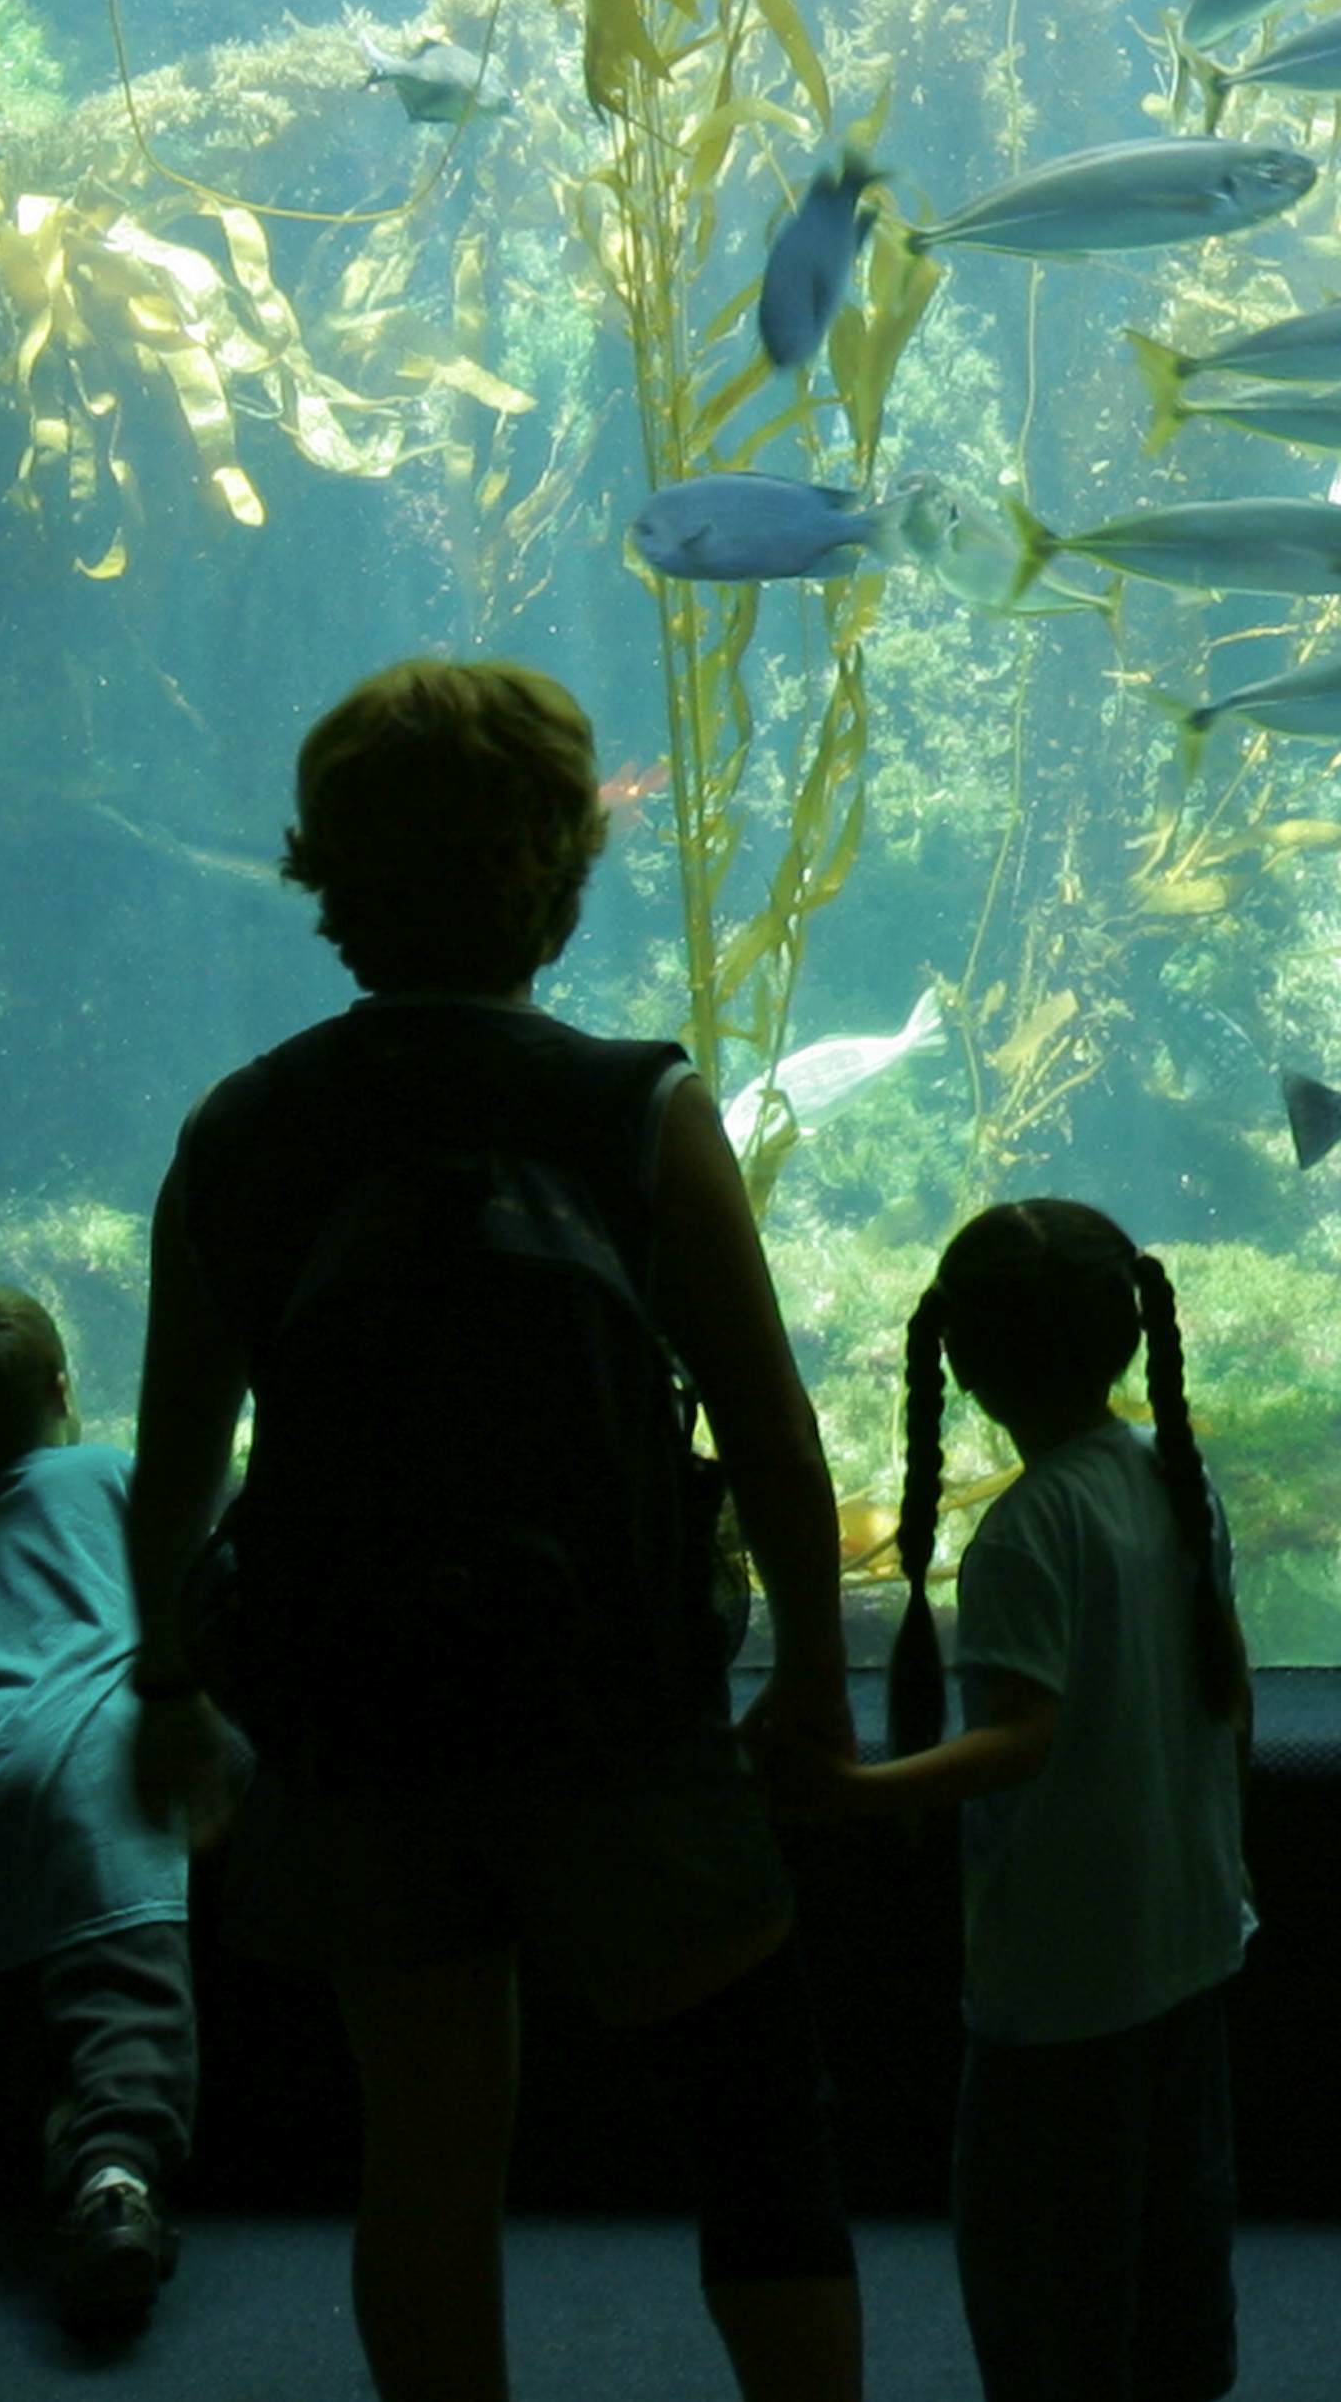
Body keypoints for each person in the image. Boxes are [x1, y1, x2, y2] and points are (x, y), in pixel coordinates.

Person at [119, 659, 869, 2402]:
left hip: (359, 1717)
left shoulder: (243, 1126)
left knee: (430, 2146)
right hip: (622, 1710)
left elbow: (175, 1465)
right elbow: (769, 1433)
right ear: (555, 862)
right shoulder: (637, 1108)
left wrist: (169, 1680)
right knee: (755, 2116)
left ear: (324, 872)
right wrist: (814, 1680)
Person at [836, 1201, 1261, 2402]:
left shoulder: (1026, 1529)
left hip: (1064, 1979)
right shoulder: (1173, 1478)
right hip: (1185, 1941)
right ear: (1128, 1337)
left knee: (1043, 2276)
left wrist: (857, 1791)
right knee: (1173, 2245)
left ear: (964, 1365)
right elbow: (1232, 1702)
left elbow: (1023, 1738)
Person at [0, 1283, 197, 2343]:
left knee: (47, 1997)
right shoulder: (109, 1470)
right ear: (66, 1384)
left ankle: (68, 2163)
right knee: (130, 2004)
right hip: (93, 1757)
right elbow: (197, 1569)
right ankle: (116, 2184)